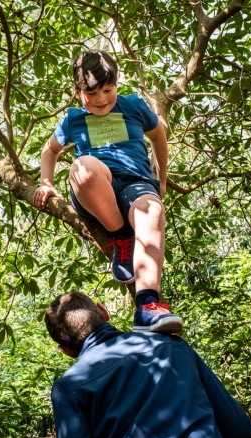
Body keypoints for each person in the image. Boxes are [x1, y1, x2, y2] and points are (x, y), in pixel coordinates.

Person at [33, 50, 180, 333]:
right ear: (78, 93)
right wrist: (46, 184)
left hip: (136, 182)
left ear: (117, 85)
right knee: (83, 166)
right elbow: (49, 150)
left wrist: (161, 178)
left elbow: (158, 135)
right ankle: (122, 236)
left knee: (152, 209)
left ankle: (148, 307)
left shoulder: (134, 106)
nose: (101, 99)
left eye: (108, 90)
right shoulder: (73, 120)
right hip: (97, 189)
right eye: (92, 93)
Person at [45, 292, 251, 438]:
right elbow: (240, 434)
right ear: (103, 311)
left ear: (65, 350)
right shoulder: (172, 345)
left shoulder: (69, 386)